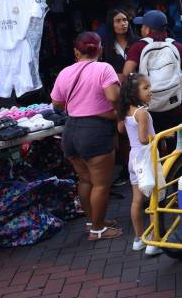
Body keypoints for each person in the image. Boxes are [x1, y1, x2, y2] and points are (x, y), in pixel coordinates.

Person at [51, 32, 121, 241]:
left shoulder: (65, 72)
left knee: (84, 180)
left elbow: (57, 104)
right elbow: (113, 97)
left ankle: (93, 221)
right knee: (100, 183)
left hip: (71, 130)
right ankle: (98, 230)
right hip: (96, 132)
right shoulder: (104, 68)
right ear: (99, 50)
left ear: (76, 51)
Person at [122, 10, 182, 153]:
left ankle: (158, 173)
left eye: (142, 26)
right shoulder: (177, 46)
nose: (141, 29)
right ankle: (177, 172)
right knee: (176, 147)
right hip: (174, 105)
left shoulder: (138, 47)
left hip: (149, 108)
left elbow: (127, 74)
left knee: (153, 147)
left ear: (147, 29)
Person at [117, 73, 162, 256]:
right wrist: (161, 136)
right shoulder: (142, 113)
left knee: (137, 200)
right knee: (153, 199)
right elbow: (144, 140)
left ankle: (138, 239)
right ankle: (153, 240)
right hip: (146, 157)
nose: (150, 91)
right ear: (134, 92)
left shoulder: (126, 111)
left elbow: (121, 130)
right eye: (145, 88)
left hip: (133, 159)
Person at [101, 9, 140, 187]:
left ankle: (141, 165)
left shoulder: (136, 42)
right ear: (111, 23)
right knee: (123, 132)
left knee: (140, 129)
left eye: (125, 20)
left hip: (136, 91)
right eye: (118, 21)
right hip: (117, 93)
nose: (122, 23)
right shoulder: (106, 45)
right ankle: (126, 168)